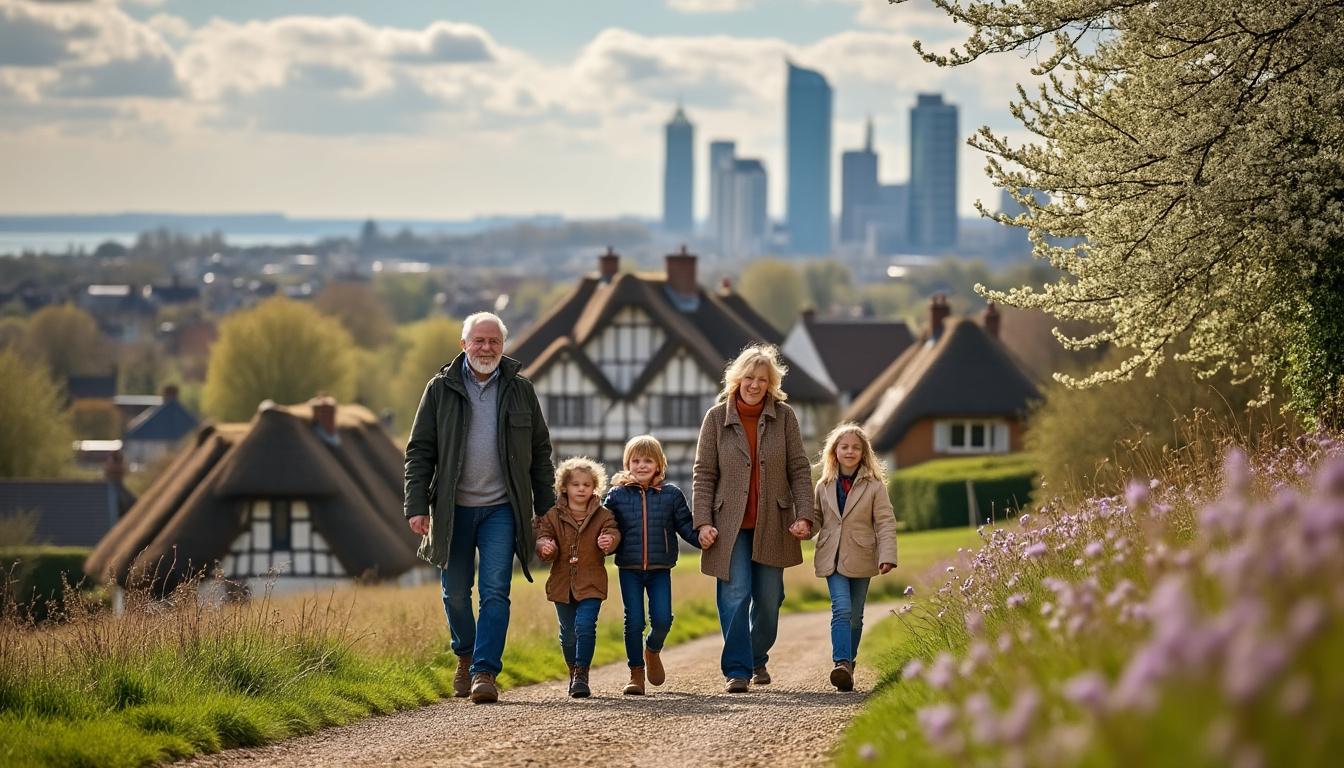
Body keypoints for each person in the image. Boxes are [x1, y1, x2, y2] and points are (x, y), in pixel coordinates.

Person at [403, 311, 556, 704]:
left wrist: (547, 508)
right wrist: (416, 505)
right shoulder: (439, 390)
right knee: (454, 592)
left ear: (503, 347)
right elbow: (420, 450)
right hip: (453, 509)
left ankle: (484, 672)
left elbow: (540, 453)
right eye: (479, 341)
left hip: (502, 510)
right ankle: (465, 654)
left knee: (495, 592)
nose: (486, 348)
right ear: (464, 344)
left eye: (494, 342)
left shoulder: (521, 390)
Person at [692, 344, 815, 693]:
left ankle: (756, 655)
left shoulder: (785, 416)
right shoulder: (716, 418)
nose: (755, 384)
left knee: (769, 599)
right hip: (728, 526)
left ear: (771, 384)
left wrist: (805, 514)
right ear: (736, 379)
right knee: (735, 595)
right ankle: (738, 669)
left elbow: (798, 468)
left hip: (773, 523)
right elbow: (703, 473)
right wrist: (702, 522)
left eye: (763, 379)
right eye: (749, 377)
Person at [604, 435, 701, 695]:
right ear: (627, 464)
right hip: (629, 569)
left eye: (648, 460)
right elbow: (606, 526)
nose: (642, 465)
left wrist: (703, 538)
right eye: (636, 460)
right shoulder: (616, 495)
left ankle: (652, 649)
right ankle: (636, 673)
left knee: (662, 619)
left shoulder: (671, 495)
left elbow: (685, 526)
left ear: (659, 464)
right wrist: (602, 541)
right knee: (633, 621)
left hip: (660, 568)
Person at [812, 422, 898, 692]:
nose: (849, 451)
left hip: (863, 555)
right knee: (842, 609)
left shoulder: (874, 486)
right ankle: (841, 663)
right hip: (832, 557)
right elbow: (816, 518)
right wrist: (802, 526)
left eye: (855, 448)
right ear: (834, 451)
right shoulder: (823, 485)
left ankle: (849, 664)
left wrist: (888, 555)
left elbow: (885, 522)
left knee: (856, 616)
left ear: (864, 453)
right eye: (844, 446)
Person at [534, 457, 620, 698]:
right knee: (568, 633)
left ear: (594, 488)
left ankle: (582, 673)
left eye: (586, 484)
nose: (581, 489)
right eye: (575, 484)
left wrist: (609, 541)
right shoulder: (552, 515)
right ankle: (573, 672)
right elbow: (543, 536)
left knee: (585, 626)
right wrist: (544, 546)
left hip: (591, 581)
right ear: (564, 487)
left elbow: (613, 532)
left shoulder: (603, 515)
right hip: (562, 583)